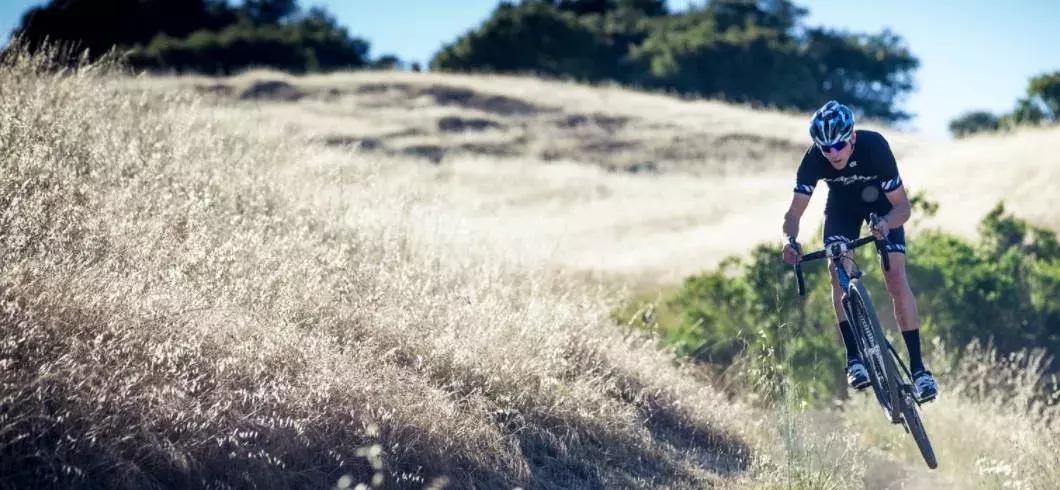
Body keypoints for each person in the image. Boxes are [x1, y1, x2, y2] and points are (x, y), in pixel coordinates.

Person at [781, 100, 938, 402]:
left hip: (882, 207)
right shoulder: (814, 159)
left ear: (852, 137)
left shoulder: (875, 147)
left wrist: (886, 223)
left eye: (839, 145)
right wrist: (789, 240)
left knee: (895, 275)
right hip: (843, 209)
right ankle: (854, 359)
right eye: (827, 148)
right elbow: (793, 214)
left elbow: (903, 207)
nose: (834, 153)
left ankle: (919, 371)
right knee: (837, 268)